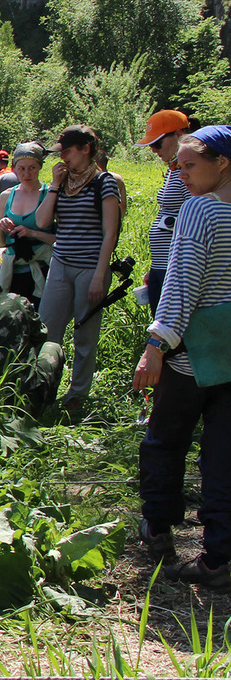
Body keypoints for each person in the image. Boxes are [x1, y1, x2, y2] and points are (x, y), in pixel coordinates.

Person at [133, 126, 231, 588]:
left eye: (190, 164)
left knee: (164, 442)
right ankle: (218, 558)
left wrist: (157, 345)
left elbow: (181, 282)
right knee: (223, 453)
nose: (181, 173)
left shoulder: (200, 210)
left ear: (223, 163)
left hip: (191, 355)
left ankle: (157, 530)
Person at [34, 125, 122, 415]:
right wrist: (55, 185)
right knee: (47, 329)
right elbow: (43, 220)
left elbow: (111, 231)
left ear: (86, 149)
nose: (65, 158)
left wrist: (100, 274)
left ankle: (77, 394)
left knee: (85, 334)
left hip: (90, 267)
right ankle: (43, 388)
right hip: (61, 263)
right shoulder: (62, 183)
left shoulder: (104, 183)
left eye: (68, 151)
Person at [138, 110, 191, 312]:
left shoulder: (190, 172)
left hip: (178, 269)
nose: (153, 150)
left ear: (179, 135)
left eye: (157, 143)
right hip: (163, 265)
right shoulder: (172, 168)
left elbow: (191, 220)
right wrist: (155, 266)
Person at [0, 143, 55, 302]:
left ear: (40, 167)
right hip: (12, 272)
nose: (27, 173)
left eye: (32, 167)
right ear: (14, 169)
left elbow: (60, 239)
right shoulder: (6, 196)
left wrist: (32, 233)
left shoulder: (49, 195)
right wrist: (0, 226)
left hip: (42, 270)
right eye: (22, 168)